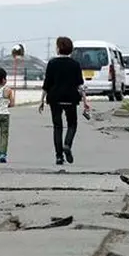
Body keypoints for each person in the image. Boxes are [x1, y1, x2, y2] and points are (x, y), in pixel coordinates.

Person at [39, 36, 91, 165]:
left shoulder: (52, 63)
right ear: (70, 49)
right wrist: (85, 101)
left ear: (58, 48)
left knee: (57, 127)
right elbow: (80, 85)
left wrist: (41, 100)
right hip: (70, 98)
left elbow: (47, 84)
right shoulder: (75, 64)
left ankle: (59, 157)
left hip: (55, 98)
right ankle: (67, 144)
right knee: (72, 124)